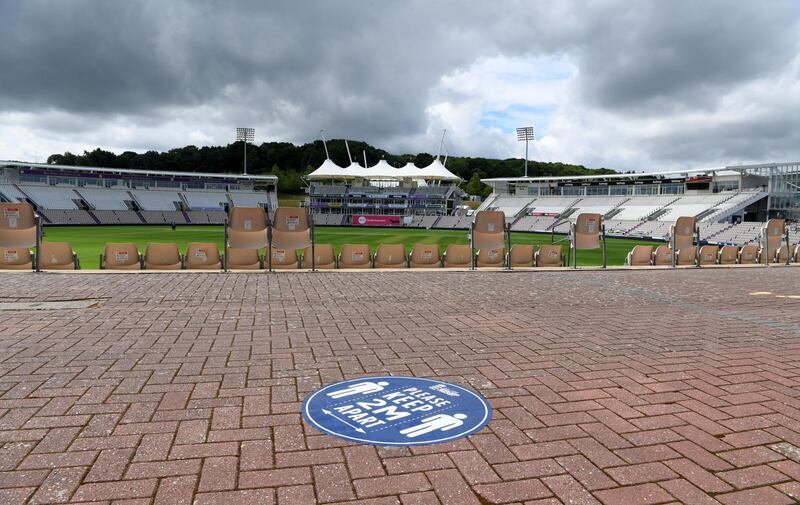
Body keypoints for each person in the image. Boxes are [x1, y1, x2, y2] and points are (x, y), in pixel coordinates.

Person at [399, 413, 467, 438]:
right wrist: (444, 429)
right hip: (435, 426)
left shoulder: (447, 416)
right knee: (424, 429)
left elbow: (437, 417)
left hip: (433, 424)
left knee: (421, 427)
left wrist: (425, 420)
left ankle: (405, 432)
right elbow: (449, 426)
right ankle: (410, 434)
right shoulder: (458, 421)